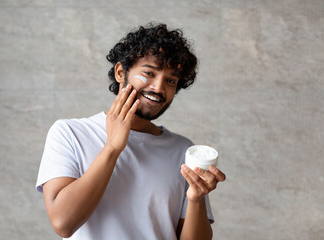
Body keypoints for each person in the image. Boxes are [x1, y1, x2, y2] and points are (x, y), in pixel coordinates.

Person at [36, 23, 226, 240]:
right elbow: (63, 223)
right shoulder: (70, 133)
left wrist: (195, 199)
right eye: (149, 73)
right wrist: (113, 148)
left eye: (171, 80)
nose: (158, 87)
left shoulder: (182, 150)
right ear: (120, 72)